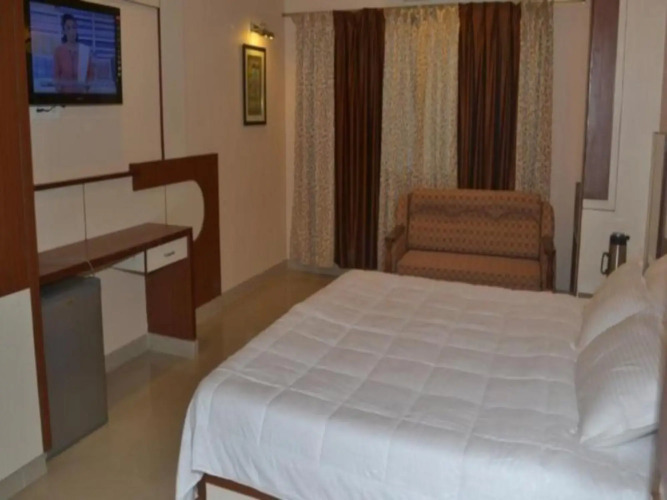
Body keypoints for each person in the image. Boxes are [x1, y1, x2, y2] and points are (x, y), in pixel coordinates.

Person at [53, 14, 93, 93]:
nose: (72, 31)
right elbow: (56, 77)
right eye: (68, 28)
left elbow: (91, 75)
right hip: (64, 97)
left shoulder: (85, 50)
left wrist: (85, 90)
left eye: (74, 27)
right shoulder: (58, 51)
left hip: (82, 96)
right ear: (64, 31)